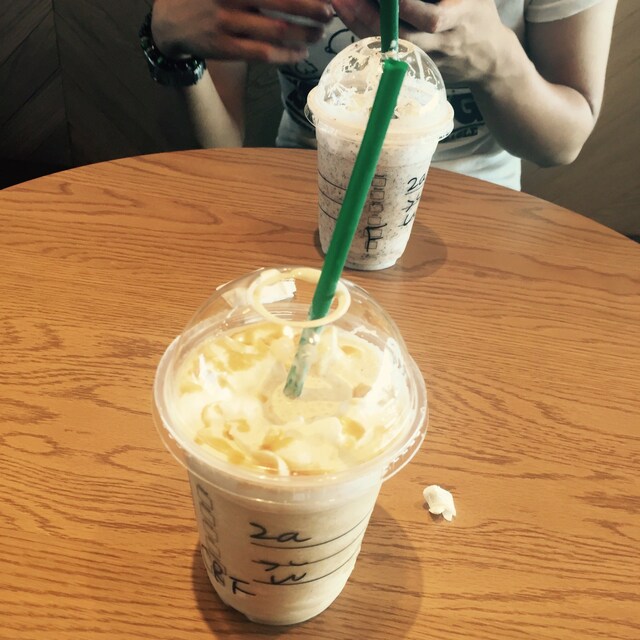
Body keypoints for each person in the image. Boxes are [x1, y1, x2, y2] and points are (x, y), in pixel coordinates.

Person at [146, 0, 618, 190]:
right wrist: (170, 44)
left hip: (478, 200)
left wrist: (498, 61)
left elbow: (561, 143)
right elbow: (217, 151)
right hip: (303, 188)